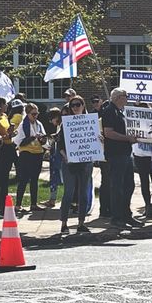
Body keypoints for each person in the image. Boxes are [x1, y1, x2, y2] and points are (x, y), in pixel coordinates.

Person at [101, 88, 141, 230]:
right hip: (115, 154)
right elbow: (108, 133)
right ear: (118, 97)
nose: (127, 98)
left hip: (126, 153)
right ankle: (116, 217)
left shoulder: (121, 111)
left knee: (129, 185)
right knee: (117, 187)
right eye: (126, 96)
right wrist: (127, 138)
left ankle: (126, 214)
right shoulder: (109, 111)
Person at [58, 97, 93, 234]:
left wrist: (99, 139)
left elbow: (94, 141)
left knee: (83, 193)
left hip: (85, 162)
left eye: (78, 105)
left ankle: (81, 223)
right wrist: (66, 157)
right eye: (72, 105)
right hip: (69, 162)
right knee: (68, 193)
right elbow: (60, 144)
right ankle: (64, 224)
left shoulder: (90, 121)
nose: (75, 107)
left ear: (83, 105)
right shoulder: (65, 124)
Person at [14, 102, 47, 213]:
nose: (35, 116)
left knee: (34, 180)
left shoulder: (39, 124)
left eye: (37, 113)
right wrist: (33, 137)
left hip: (37, 153)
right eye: (33, 114)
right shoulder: (23, 125)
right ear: (27, 114)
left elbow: (44, 139)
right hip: (26, 154)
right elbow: (20, 142)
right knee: (23, 179)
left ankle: (33, 204)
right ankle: (18, 205)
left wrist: (42, 139)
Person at [44, 106, 64, 208]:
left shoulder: (63, 125)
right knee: (54, 178)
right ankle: (52, 199)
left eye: (52, 119)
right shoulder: (58, 126)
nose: (51, 122)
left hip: (62, 157)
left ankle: (69, 201)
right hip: (55, 155)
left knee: (63, 178)